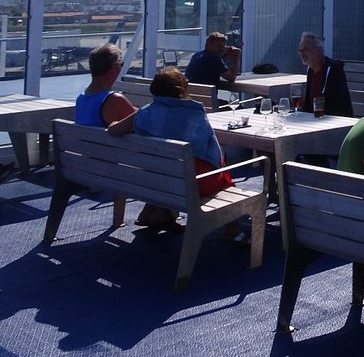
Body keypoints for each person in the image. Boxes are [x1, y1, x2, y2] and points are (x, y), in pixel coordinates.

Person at [107, 67, 234, 231]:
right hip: (195, 184)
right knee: (222, 169)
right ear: (181, 89)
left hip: (158, 180)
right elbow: (209, 150)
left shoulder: (145, 114)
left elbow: (113, 130)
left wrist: (112, 123)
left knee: (170, 165)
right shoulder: (194, 113)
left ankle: (157, 214)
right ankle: (233, 230)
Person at [74, 43, 136, 128]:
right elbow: (145, 124)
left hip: (86, 140)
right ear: (114, 67)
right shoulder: (114, 100)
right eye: (121, 64)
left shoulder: (81, 99)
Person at [297, 32, 352, 118]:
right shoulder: (310, 71)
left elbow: (338, 105)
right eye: (300, 50)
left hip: (335, 123)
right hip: (314, 121)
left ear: (319, 50)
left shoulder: (334, 70)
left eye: (306, 49)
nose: (302, 53)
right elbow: (308, 106)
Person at [184, 31, 242, 101]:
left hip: (193, 101)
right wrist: (236, 57)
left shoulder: (196, 55)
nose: (222, 49)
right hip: (208, 102)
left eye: (223, 47)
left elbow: (210, 67)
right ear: (209, 44)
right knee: (238, 106)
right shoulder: (213, 59)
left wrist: (221, 55)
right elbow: (231, 77)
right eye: (219, 46)